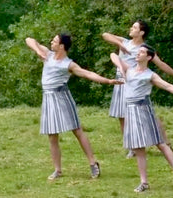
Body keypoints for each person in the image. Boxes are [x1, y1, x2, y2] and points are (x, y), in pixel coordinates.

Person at [25, 34, 122, 180]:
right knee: (52, 135)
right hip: (48, 98)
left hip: (62, 97)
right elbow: (29, 40)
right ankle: (57, 170)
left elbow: (87, 73)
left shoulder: (68, 64)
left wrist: (107, 81)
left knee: (77, 130)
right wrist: (38, 51)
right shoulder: (48, 55)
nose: (51, 42)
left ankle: (93, 163)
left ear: (62, 46)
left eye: (55, 41)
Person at [110, 44, 173, 192]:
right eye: (138, 52)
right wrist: (121, 68)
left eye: (142, 52)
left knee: (160, 143)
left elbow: (168, 86)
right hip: (130, 111)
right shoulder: (129, 70)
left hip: (144, 110)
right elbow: (114, 56)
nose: (138, 54)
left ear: (149, 57)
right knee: (138, 148)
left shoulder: (150, 75)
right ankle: (144, 182)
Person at [102, 20, 173, 157]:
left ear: (141, 32)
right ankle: (132, 146)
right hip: (120, 81)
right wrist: (119, 44)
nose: (131, 28)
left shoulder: (144, 49)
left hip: (135, 84)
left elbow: (161, 64)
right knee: (122, 116)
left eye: (134, 27)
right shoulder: (124, 42)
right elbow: (105, 35)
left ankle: (165, 142)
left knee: (148, 117)